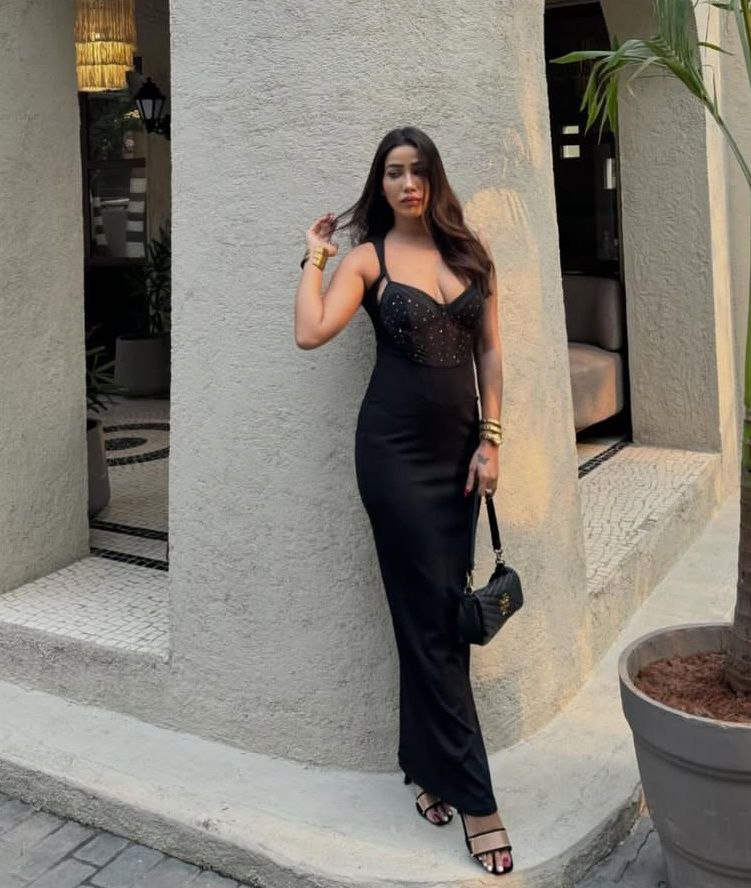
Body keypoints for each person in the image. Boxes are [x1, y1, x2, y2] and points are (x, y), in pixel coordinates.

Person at [294, 126, 511, 876]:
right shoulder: (368, 259)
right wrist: (315, 255)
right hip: (393, 459)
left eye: (418, 171)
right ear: (380, 183)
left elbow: (489, 348)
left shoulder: (469, 252)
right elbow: (310, 332)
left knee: (435, 618)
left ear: (434, 178)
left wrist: (492, 440)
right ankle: (477, 801)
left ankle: (425, 764)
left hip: (459, 459)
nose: (407, 183)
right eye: (394, 172)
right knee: (433, 623)